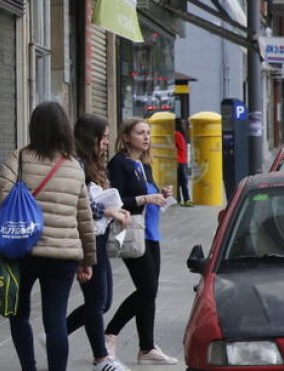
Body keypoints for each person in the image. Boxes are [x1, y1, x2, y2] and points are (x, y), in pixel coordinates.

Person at [0, 101, 96, 371]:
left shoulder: (20, 158)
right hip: (63, 255)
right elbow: (84, 218)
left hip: (21, 250)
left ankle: (29, 367)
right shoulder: (74, 166)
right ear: (65, 130)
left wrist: (22, 199)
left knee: (18, 314)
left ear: (33, 127)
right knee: (56, 320)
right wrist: (88, 260)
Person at [104, 118, 179, 365]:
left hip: (152, 232)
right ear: (126, 137)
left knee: (150, 293)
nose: (146, 137)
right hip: (134, 233)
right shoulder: (119, 163)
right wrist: (146, 198)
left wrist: (162, 195)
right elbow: (116, 200)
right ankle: (110, 334)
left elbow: (147, 194)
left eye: (148, 133)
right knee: (147, 289)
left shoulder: (143, 165)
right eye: (140, 133)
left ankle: (147, 348)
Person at [66, 114, 132, 371]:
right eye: (102, 137)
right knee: (97, 301)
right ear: (88, 138)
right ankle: (102, 358)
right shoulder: (77, 165)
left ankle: (56, 333)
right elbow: (79, 203)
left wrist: (117, 209)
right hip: (87, 236)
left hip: (100, 235)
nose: (106, 142)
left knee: (103, 301)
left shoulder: (94, 163)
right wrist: (109, 211)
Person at [173, 118, 192, 207]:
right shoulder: (177, 134)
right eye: (183, 124)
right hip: (180, 161)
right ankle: (185, 199)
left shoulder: (178, 134)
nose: (184, 126)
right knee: (182, 181)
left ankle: (181, 199)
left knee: (180, 181)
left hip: (180, 160)